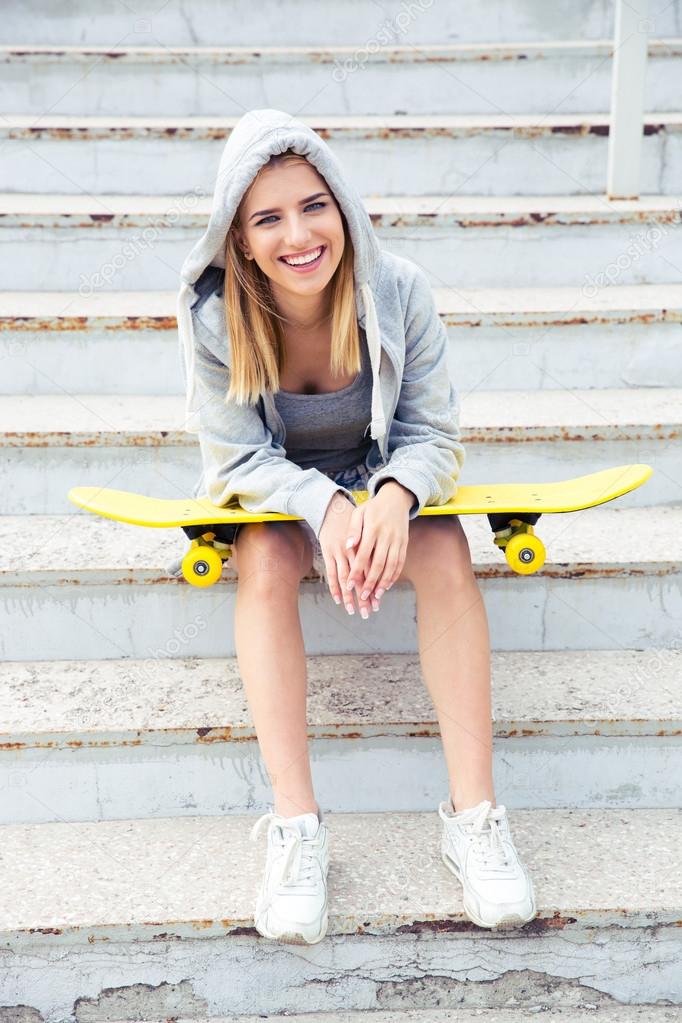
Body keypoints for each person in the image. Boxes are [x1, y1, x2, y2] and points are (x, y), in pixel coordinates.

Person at [173, 108, 537, 945]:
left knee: (446, 547)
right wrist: (325, 506)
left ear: (343, 205)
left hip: (380, 492)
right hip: (286, 507)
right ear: (239, 236)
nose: (298, 234)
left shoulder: (400, 289)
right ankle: (297, 828)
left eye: (314, 206)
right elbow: (236, 458)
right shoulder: (217, 317)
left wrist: (392, 497)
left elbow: (435, 434)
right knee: (262, 557)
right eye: (268, 217)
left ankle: (475, 817)